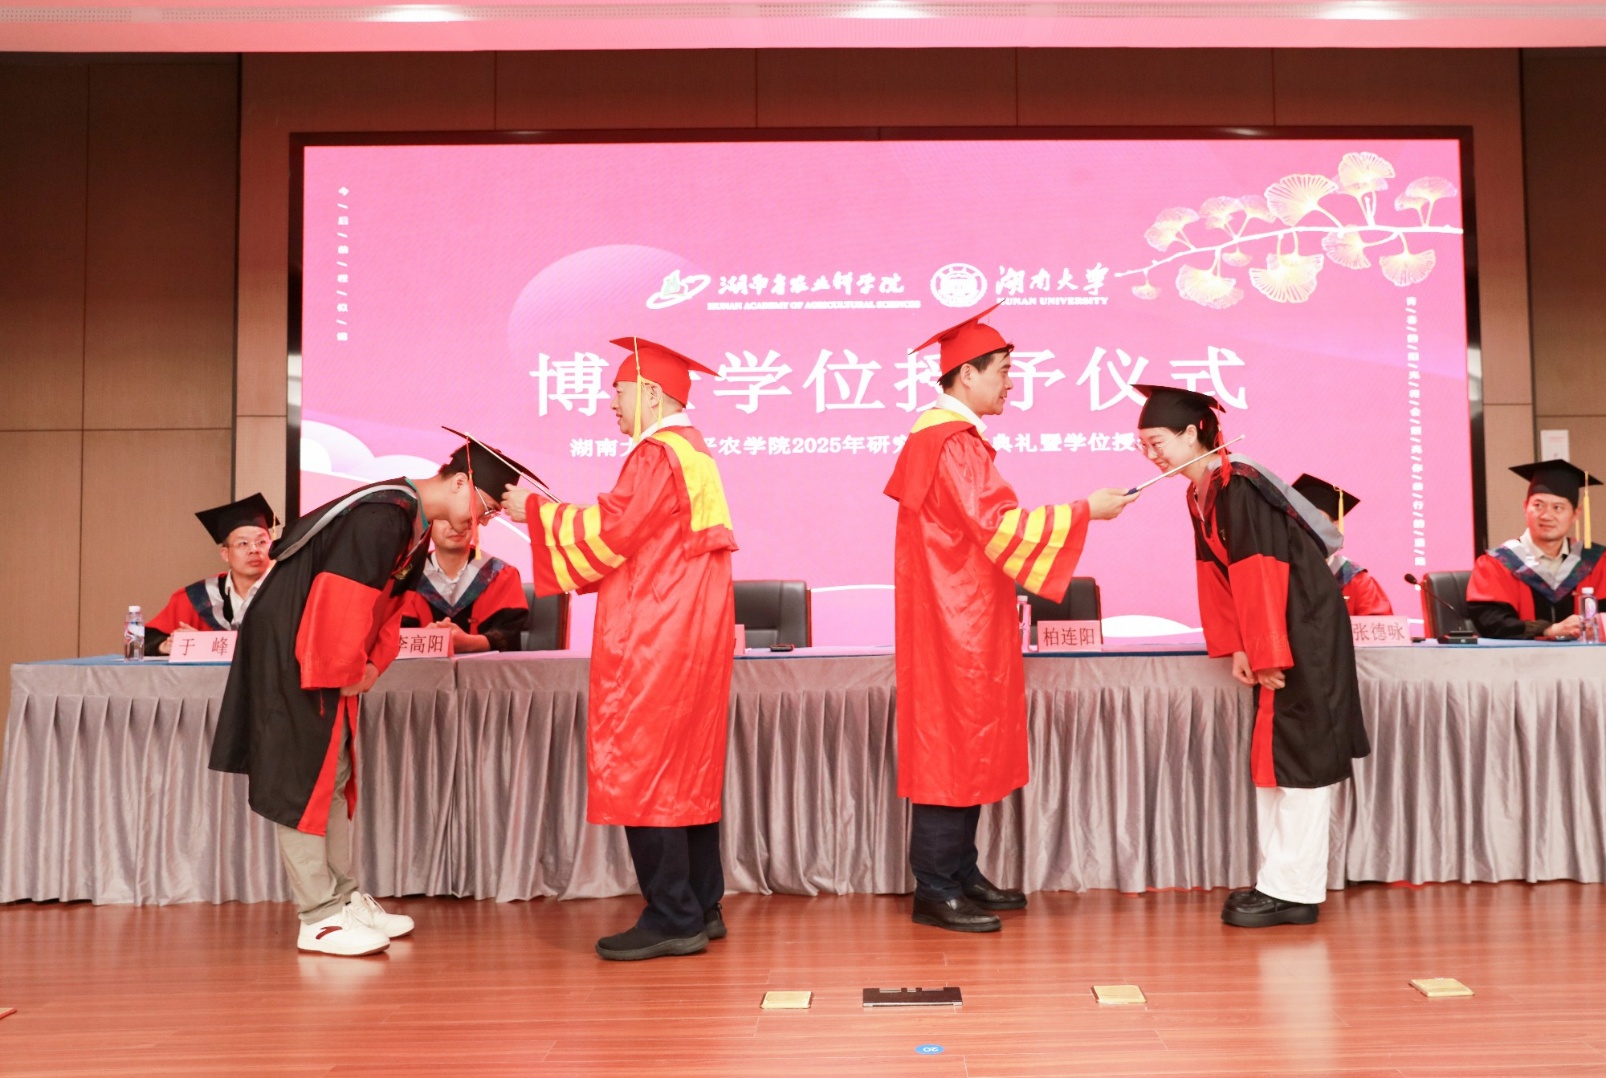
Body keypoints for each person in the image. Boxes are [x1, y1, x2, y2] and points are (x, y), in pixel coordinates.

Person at [211, 434, 529, 956]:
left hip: (320, 653)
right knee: (303, 783)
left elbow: (388, 607)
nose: (484, 521)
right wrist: (343, 671)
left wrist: (372, 667)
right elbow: (341, 599)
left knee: (334, 777)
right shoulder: (383, 515)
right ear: (460, 482)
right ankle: (319, 918)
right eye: (487, 507)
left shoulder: (409, 521)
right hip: (298, 653)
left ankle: (342, 898)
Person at [884, 304, 1136, 934]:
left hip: (960, 610)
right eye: (1001, 370)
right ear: (966, 374)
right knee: (950, 746)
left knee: (966, 741)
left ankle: (959, 871)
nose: (1010, 382)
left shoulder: (947, 439)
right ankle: (935, 887)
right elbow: (999, 526)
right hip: (954, 617)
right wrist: (1086, 509)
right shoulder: (951, 443)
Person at [502, 336, 737, 962]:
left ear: (652, 395)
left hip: (655, 635)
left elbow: (612, 530)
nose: (611, 402)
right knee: (684, 769)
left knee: (646, 768)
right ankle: (702, 904)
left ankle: (673, 916)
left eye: (620, 391)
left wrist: (536, 511)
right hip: (690, 636)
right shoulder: (693, 451)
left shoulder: (658, 454)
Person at [1135, 384, 1368, 929]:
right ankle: (1277, 881)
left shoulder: (1239, 484)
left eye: (1157, 442)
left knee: (1301, 760)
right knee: (1276, 758)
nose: (1150, 455)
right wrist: (1239, 644)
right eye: (1142, 445)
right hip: (1277, 630)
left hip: (1302, 628)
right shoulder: (1201, 491)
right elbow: (1216, 577)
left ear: (1192, 432)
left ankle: (1296, 890)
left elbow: (1262, 572)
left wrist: (1267, 651)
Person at [1466, 459, 1606, 639]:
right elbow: (1491, 622)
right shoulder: (1496, 564)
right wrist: (1548, 630)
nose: (1547, 515)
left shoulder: (1596, 562)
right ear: (1525, 507)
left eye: (1558, 508)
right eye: (1538, 505)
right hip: (1520, 656)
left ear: (1575, 514)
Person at [145, 493, 278, 655]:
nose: (254, 550)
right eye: (243, 543)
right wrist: (164, 646)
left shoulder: (288, 593)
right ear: (225, 554)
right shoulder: (198, 597)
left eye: (261, 542)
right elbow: (146, 640)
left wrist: (204, 643)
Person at [399, 516, 529, 652]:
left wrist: (471, 643)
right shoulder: (407, 577)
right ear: (427, 525)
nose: (455, 526)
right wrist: (425, 639)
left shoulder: (500, 574)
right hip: (423, 665)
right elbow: (395, 636)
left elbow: (509, 636)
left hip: (487, 665)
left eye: (463, 517)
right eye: (444, 518)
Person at [1290, 474, 1393, 616]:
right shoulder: (1279, 573)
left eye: (1317, 519)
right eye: (1301, 519)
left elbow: (1378, 626)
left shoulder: (1354, 579)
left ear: (1335, 526)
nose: (1307, 526)